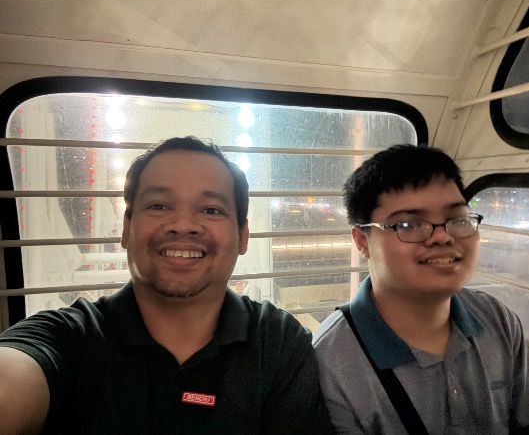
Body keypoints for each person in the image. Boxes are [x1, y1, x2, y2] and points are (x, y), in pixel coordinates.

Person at [0, 136, 333, 434]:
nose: (183, 225)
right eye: (158, 205)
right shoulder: (67, 337)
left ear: (242, 237)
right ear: (126, 228)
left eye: (211, 209)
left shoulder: (278, 342)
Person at [312, 144, 529, 434]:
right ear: (362, 241)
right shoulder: (331, 360)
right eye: (409, 224)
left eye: (458, 219)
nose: (443, 237)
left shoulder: (496, 319)